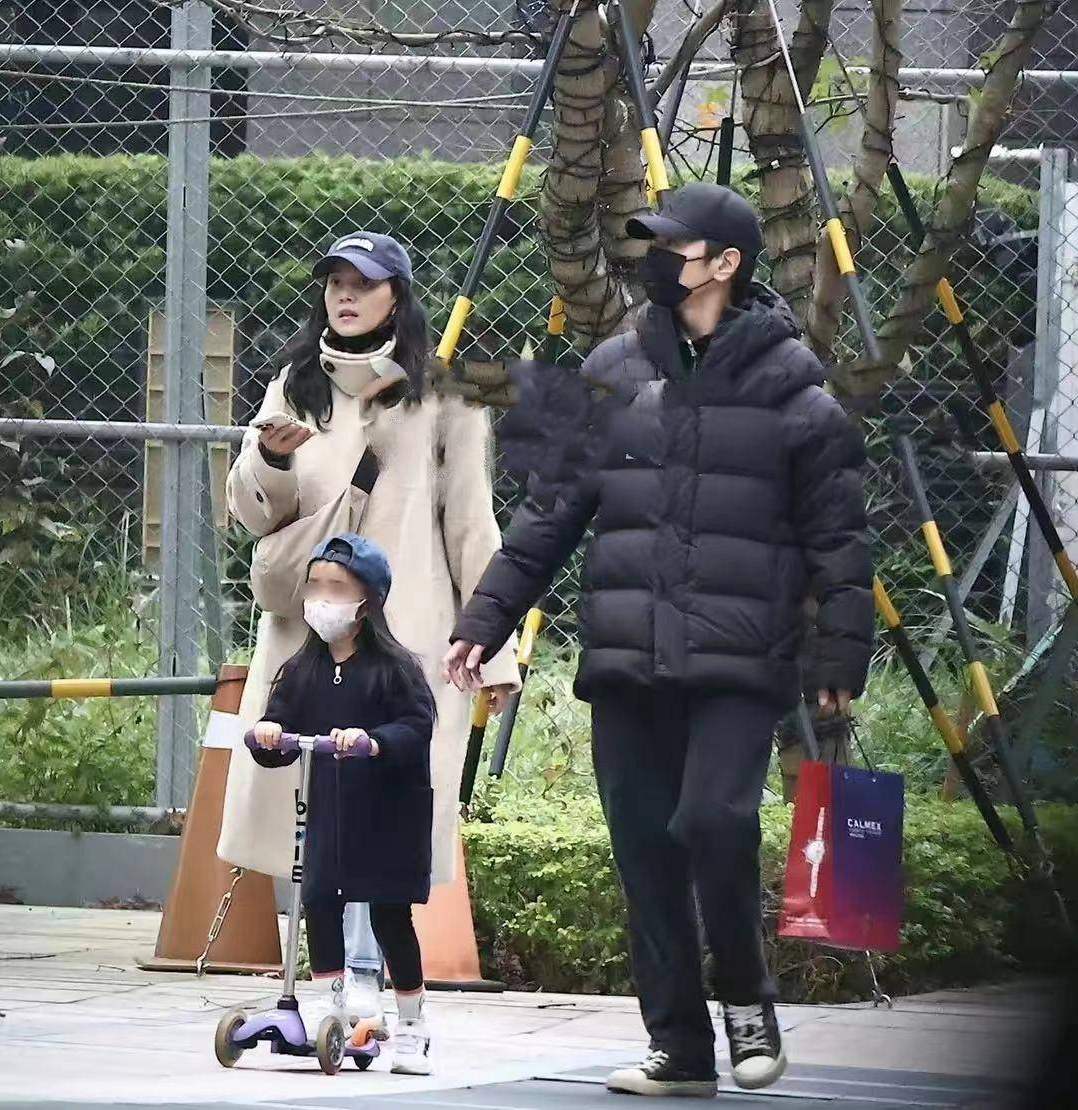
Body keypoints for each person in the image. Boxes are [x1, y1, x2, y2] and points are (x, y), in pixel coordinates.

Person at [445, 183, 873, 1096]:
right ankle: (679, 1049)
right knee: (645, 850)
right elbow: (549, 514)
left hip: (738, 659)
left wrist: (840, 652)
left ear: (725, 264)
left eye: (672, 247)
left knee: (714, 821)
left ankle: (746, 1000)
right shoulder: (611, 370)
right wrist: (484, 620)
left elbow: (840, 538)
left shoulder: (796, 390)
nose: (653, 261)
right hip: (627, 657)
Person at [219, 231, 520, 1033]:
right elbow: (251, 512)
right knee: (308, 809)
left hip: (404, 644)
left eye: (364, 282)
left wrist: (493, 649)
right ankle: (330, 990)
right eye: (334, 282)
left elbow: (473, 527)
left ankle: (368, 982)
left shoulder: (447, 400)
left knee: (381, 812)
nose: (345, 295)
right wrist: (271, 462)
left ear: (397, 296)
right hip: (308, 634)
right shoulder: (294, 384)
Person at [250, 532, 435, 1074]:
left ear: (367, 601)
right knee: (319, 900)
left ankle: (413, 1024)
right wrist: (269, 733)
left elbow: (417, 726)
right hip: (330, 811)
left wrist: (374, 741)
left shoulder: (394, 669)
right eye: (315, 586)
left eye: (337, 588)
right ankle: (330, 1004)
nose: (321, 599)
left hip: (388, 814)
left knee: (389, 915)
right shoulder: (302, 670)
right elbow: (280, 728)